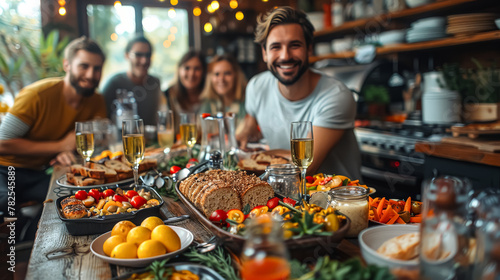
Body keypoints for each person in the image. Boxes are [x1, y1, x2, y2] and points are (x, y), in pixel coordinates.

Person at [236, 6, 361, 179]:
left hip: (338, 200)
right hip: (284, 196)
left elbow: (304, 167)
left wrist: (262, 156)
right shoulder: (257, 86)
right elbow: (250, 121)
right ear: (264, 53)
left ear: (309, 49)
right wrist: (246, 130)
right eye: (275, 47)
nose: (285, 56)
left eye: (294, 45)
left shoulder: (336, 95)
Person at [0, 36, 107, 215]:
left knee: (70, 201)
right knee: (4, 204)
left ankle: (31, 238)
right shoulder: (36, 95)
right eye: (84, 66)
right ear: (67, 65)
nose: (90, 75)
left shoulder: (97, 101)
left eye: (97, 68)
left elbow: (88, 138)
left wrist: (64, 151)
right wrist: (59, 146)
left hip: (38, 172)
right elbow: (2, 143)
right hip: (5, 169)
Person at [101, 36, 166, 126]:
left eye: (148, 55)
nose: (144, 61)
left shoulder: (155, 83)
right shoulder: (114, 83)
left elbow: (162, 115)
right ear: (127, 55)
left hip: (151, 138)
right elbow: (102, 120)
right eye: (138, 55)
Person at [200, 54, 248, 129]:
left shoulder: (247, 104)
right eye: (217, 74)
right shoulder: (208, 105)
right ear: (210, 78)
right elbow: (200, 132)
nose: (221, 79)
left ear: (236, 76)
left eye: (227, 73)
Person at [164, 50, 207, 133]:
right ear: (179, 70)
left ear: (203, 72)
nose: (191, 74)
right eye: (187, 68)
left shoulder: (209, 97)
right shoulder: (167, 96)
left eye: (197, 69)